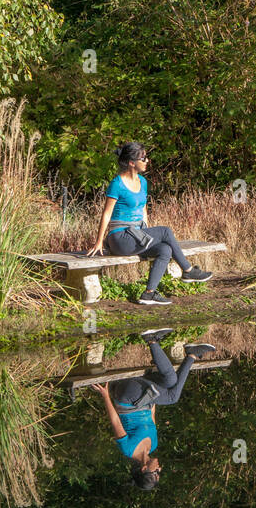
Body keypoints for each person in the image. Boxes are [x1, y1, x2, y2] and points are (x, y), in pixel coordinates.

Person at [87, 142, 213, 305]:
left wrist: (147, 231)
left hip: (137, 236)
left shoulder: (143, 182)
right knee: (165, 231)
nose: (147, 161)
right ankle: (188, 271)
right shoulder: (117, 184)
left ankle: (148, 294)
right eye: (143, 158)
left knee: (164, 249)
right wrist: (98, 242)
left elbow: (143, 210)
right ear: (132, 162)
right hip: (120, 239)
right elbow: (106, 214)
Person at [91, 336, 216, 490]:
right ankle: (187, 353)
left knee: (172, 396)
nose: (159, 469)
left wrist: (105, 395)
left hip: (127, 398)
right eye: (159, 472)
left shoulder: (128, 449)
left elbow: (115, 421)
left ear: (144, 469)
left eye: (155, 472)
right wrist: (156, 391)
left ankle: (183, 351)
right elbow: (152, 414)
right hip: (144, 398)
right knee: (170, 381)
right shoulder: (153, 445)